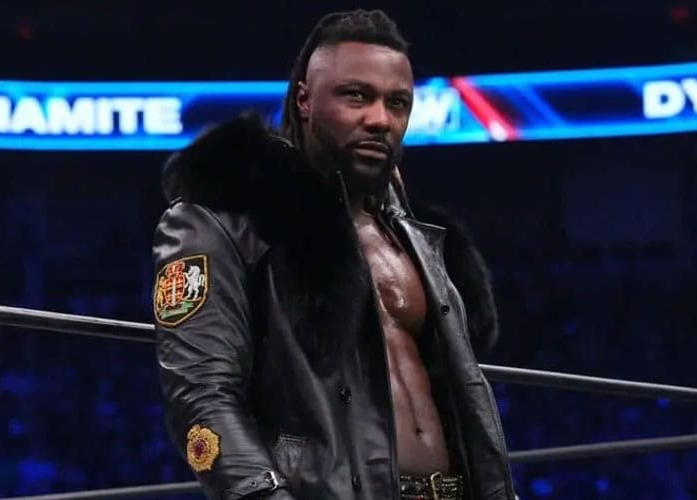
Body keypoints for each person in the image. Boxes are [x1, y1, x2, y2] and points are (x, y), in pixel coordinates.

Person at [152, 9, 515, 500]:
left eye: (397, 103)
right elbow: (201, 397)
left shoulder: (414, 236)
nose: (380, 119)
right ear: (305, 100)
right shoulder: (225, 221)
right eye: (356, 96)